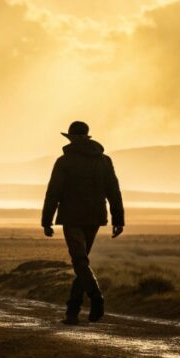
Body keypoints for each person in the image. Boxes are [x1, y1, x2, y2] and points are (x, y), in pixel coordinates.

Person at [41, 121, 124, 325]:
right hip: (95, 217)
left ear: (71, 139)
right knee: (82, 262)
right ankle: (72, 311)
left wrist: (47, 221)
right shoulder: (104, 161)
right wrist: (118, 219)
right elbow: (114, 191)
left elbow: (53, 193)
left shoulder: (64, 162)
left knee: (80, 262)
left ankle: (95, 298)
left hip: (72, 217)